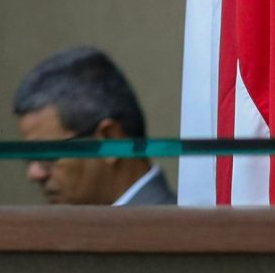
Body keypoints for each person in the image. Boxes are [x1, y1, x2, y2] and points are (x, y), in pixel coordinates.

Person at [13, 46, 174, 206]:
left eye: (47, 154)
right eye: (30, 158)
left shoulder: (172, 230)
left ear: (111, 140)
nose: (33, 174)